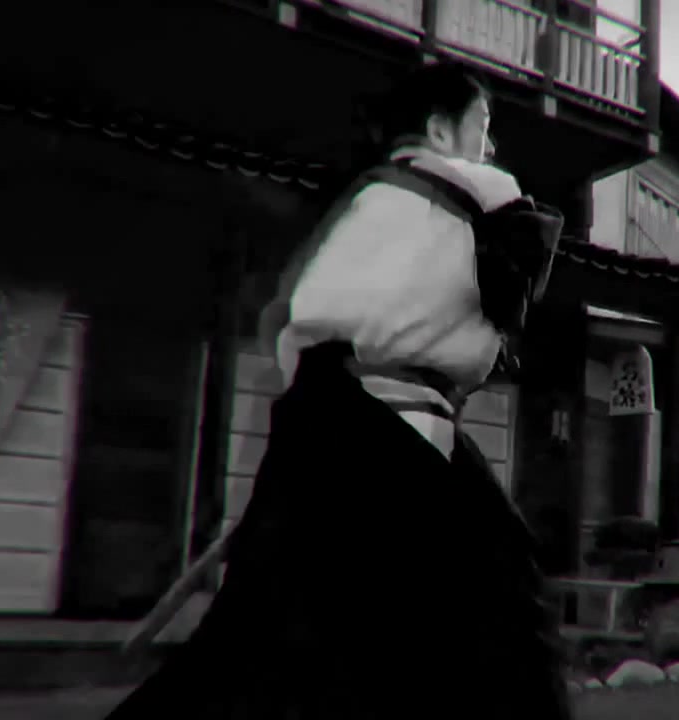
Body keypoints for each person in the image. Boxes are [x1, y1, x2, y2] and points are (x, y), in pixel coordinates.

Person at [106, 62, 572, 720]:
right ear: (440, 131)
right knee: (504, 602)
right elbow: (517, 285)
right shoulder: (485, 190)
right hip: (386, 419)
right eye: (483, 127)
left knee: (264, 626)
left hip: (315, 411)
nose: (491, 146)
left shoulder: (367, 202)